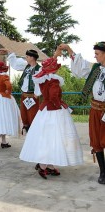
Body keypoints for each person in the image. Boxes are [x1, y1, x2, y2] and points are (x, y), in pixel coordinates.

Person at [19, 48, 83, 179]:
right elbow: (54, 97)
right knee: (53, 137)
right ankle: (43, 166)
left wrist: (55, 55)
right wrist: (61, 105)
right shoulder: (53, 81)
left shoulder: (43, 79)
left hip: (44, 111)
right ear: (53, 70)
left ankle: (50, 165)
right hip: (54, 111)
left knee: (49, 138)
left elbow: (41, 90)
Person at [59, 42, 105, 184]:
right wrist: (68, 50)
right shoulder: (96, 69)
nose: (95, 56)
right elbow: (80, 66)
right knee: (96, 140)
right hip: (96, 109)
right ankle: (103, 171)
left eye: (97, 54)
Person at [1, 49, 41, 134]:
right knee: (24, 114)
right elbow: (15, 64)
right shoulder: (26, 66)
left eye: (27, 56)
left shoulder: (39, 69)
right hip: (24, 95)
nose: (25, 58)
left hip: (32, 96)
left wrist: (37, 94)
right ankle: (26, 129)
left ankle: (33, 133)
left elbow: (41, 82)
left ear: (32, 57)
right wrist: (9, 53)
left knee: (32, 115)